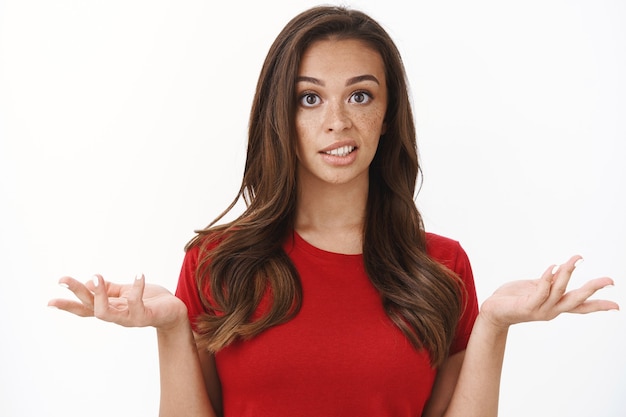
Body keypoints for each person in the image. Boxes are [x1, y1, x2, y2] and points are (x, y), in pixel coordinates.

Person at [48, 5, 618, 417]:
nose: (337, 122)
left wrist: (494, 326)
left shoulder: (441, 267)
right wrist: (171, 329)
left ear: (388, 114)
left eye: (361, 95)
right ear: (282, 114)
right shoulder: (216, 262)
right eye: (310, 97)